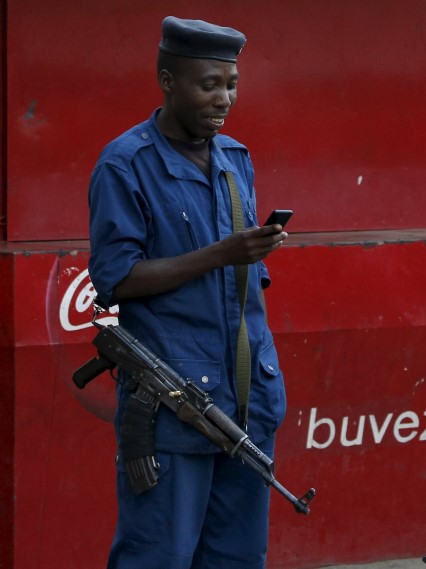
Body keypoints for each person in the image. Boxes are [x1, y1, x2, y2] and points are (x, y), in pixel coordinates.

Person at [88, 16, 288, 569]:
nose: (223, 98)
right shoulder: (126, 164)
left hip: (246, 401)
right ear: (167, 79)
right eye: (208, 84)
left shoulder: (235, 160)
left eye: (232, 84)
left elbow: (241, 292)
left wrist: (251, 250)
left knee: (238, 558)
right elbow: (116, 279)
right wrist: (222, 253)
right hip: (173, 407)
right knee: (159, 557)